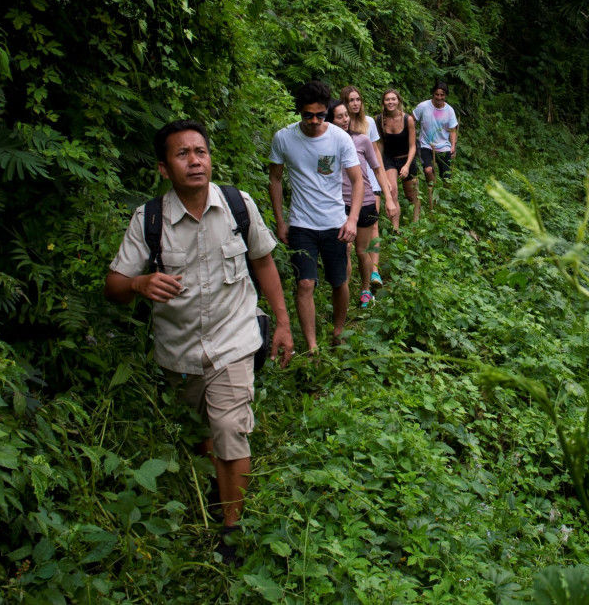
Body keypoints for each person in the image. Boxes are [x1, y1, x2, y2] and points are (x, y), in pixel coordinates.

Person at [104, 119, 294, 560]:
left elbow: (263, 263)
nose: (194, 160)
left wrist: (283, 323)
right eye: (182, 154)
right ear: (163, 168)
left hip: (235, 339)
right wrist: (139, 285)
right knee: (204, 432)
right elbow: (113, 284)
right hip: (181, 353)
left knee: (229, 428)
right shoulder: (149, 220)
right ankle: (218, 480)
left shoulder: (236, 205)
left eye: (201, 152)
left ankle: (231, 530)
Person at [268, 81, 364, 349]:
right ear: (299, 111)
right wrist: (280, 220)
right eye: (307, 115)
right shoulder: (284, 138)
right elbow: (274, 180)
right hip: (301, 224)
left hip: (335, 223)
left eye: (319, 115)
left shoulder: (339, 138)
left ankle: (338, 332)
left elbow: (357, 181)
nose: (313, 120)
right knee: (305, 284)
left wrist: (352, 219)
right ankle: (312, 347)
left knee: (339, 281)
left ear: (327, 112)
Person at [329, 100, 398, 306]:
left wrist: (388, 198)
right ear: (330, 120)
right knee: (345, 249)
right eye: (339, 116)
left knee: (361, 251)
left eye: (345, 116)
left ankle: (366, 290)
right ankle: (344, 292)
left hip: (365, 200)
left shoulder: (361, 140)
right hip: (338, 203)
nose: (344, 120)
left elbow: (377, 169)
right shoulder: (325, 142)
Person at [413, 81, 459, 210]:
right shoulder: (423, 106)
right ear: (433, 93)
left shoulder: (449, 111)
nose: (439, 98)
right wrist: (411, 137)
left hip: (443, 146)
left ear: (445, 95)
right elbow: (412, 120)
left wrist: (453, 146)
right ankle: (432, 194)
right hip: (426, 144)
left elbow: (453, 130)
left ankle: (445, 201)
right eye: (437, 94)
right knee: (428, 170)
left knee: (447, 178)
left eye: (442, 95)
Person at [379, 88, 419, 226]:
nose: (390, 102)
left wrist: (407, 165)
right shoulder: (379, 120)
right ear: (383, 102)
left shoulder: (407, 119)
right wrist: (378, 163)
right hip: (389, 159)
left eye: (393, 99)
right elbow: (380, 145)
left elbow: (413, 146)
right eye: (387, 99)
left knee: (411, 195)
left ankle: (416, 224)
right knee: (392, 191)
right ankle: (395, 229)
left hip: (407, 158)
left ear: (398, 101)